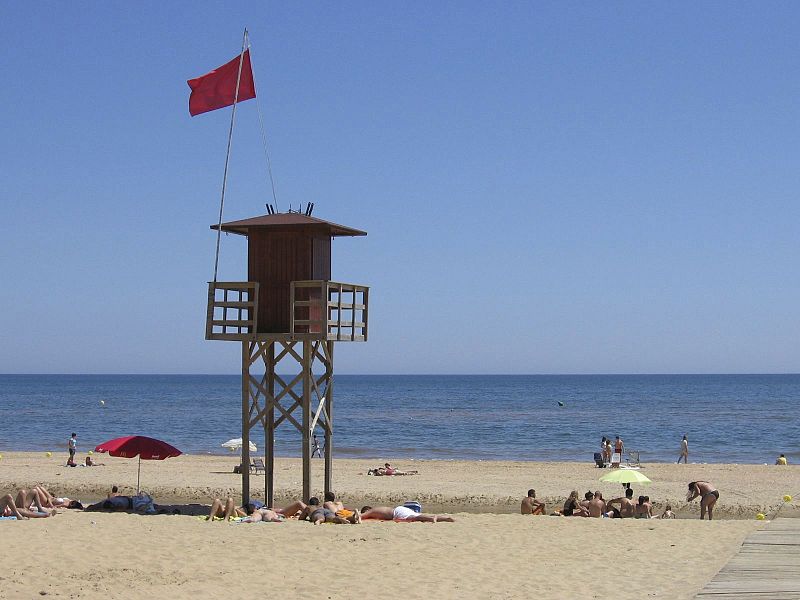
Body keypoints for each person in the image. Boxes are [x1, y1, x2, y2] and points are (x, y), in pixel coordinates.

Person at [360, 505, 455, 522]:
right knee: (417, 515)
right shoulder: (380, 509)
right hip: (400, 509)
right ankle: (445, 518)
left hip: (397, 513)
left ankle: (431, 518)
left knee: (414, 517)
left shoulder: (371, 511)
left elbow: (360, 517)